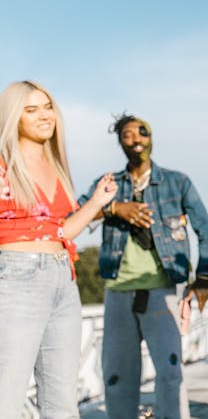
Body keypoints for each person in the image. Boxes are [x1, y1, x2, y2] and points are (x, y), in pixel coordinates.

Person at [79, 113, 208, 419]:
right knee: (117, 378)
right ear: (120, 142)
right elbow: (77, 215)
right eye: (128, 135)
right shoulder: (108, 185)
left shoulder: (177, 182)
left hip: (164, 291)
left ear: (152, 136)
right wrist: (116, 208)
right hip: (118, 292)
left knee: (170, 376)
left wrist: (204, 277)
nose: (136, 139)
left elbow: (206, 230)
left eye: (142, 132)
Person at [0, 81, 117, 418]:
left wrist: (96, 201)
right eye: (31, 109)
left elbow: (61, 230)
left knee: (62, 399)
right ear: (13, 117)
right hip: (16, 275)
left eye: (48, 106)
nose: (44, 116)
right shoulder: (4, 164)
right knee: (8, 394)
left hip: (63, 277)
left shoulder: (55, 167)